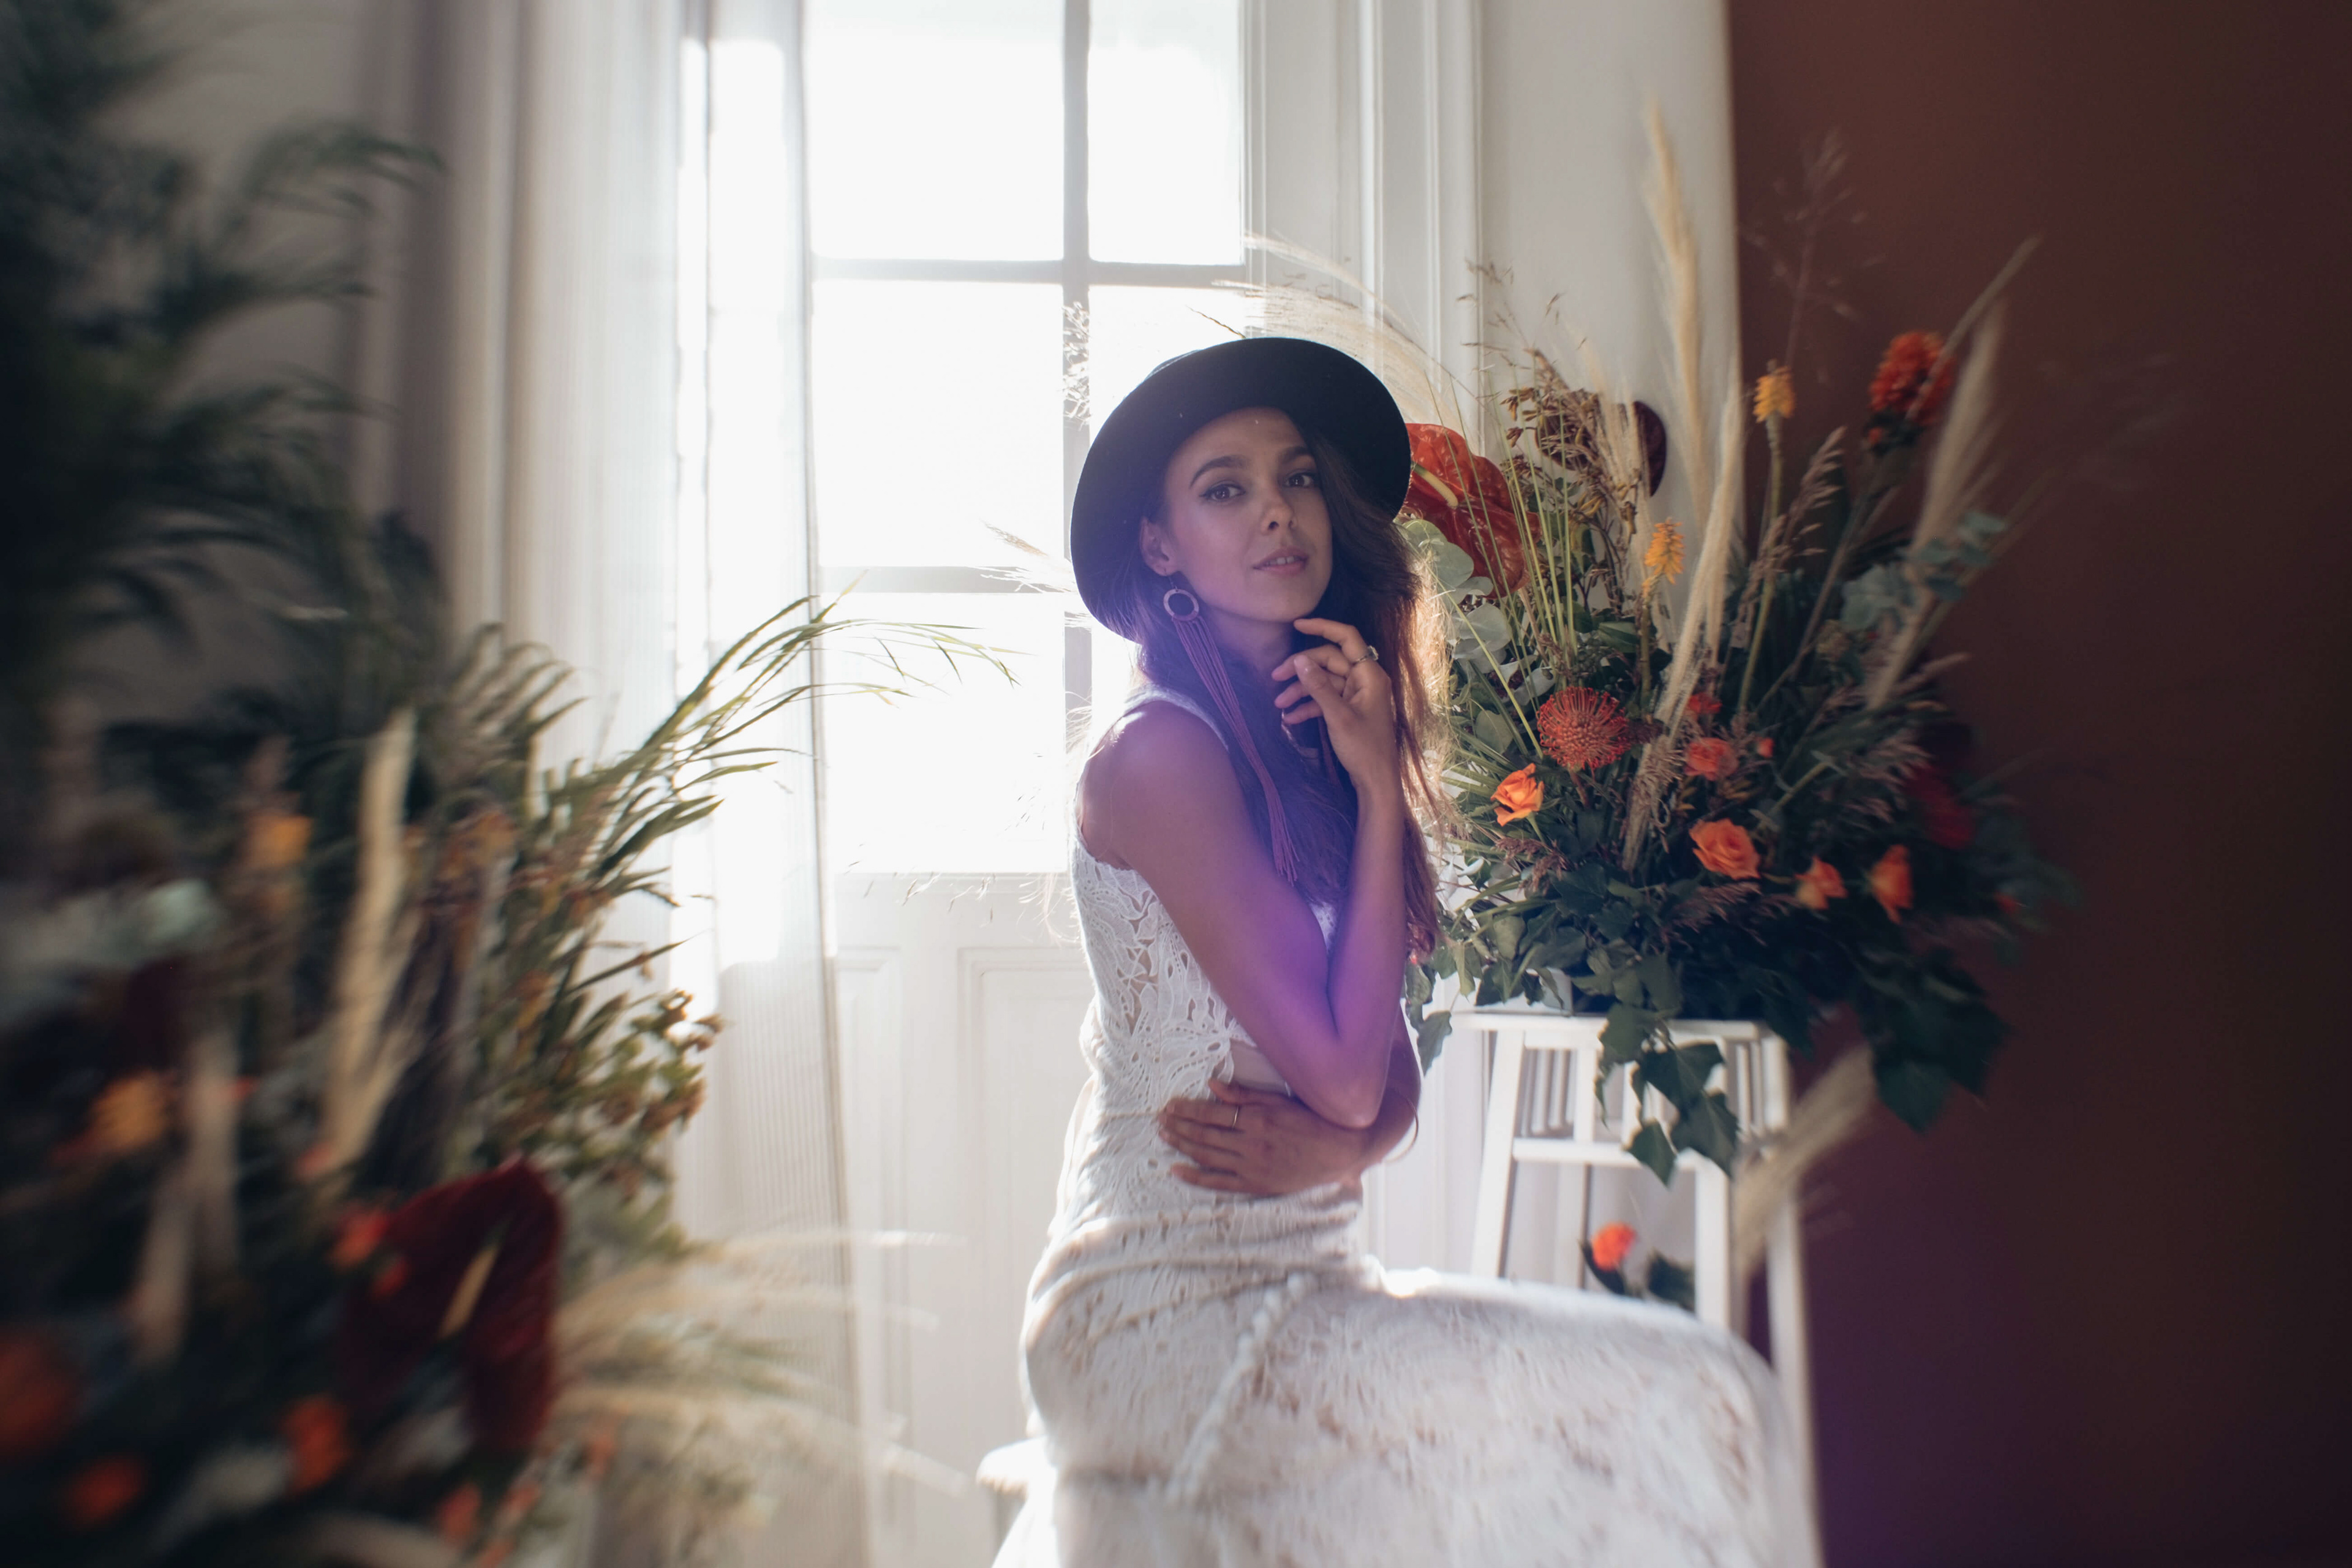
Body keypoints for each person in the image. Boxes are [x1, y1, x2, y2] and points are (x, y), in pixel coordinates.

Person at [997, 337, 1820, 1567]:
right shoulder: (1159, 758)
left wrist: (1372, 785)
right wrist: (1382, 795)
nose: (1278, 510)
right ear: (1159, 546)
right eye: (1225, 487)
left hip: (1311, 1276)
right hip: (1165, 1308)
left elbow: (1380, 1077)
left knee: (1712, 1392)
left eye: (1297, 476)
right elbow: (1344, 1079)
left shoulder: (1310, 737)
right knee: (1704, 1397)